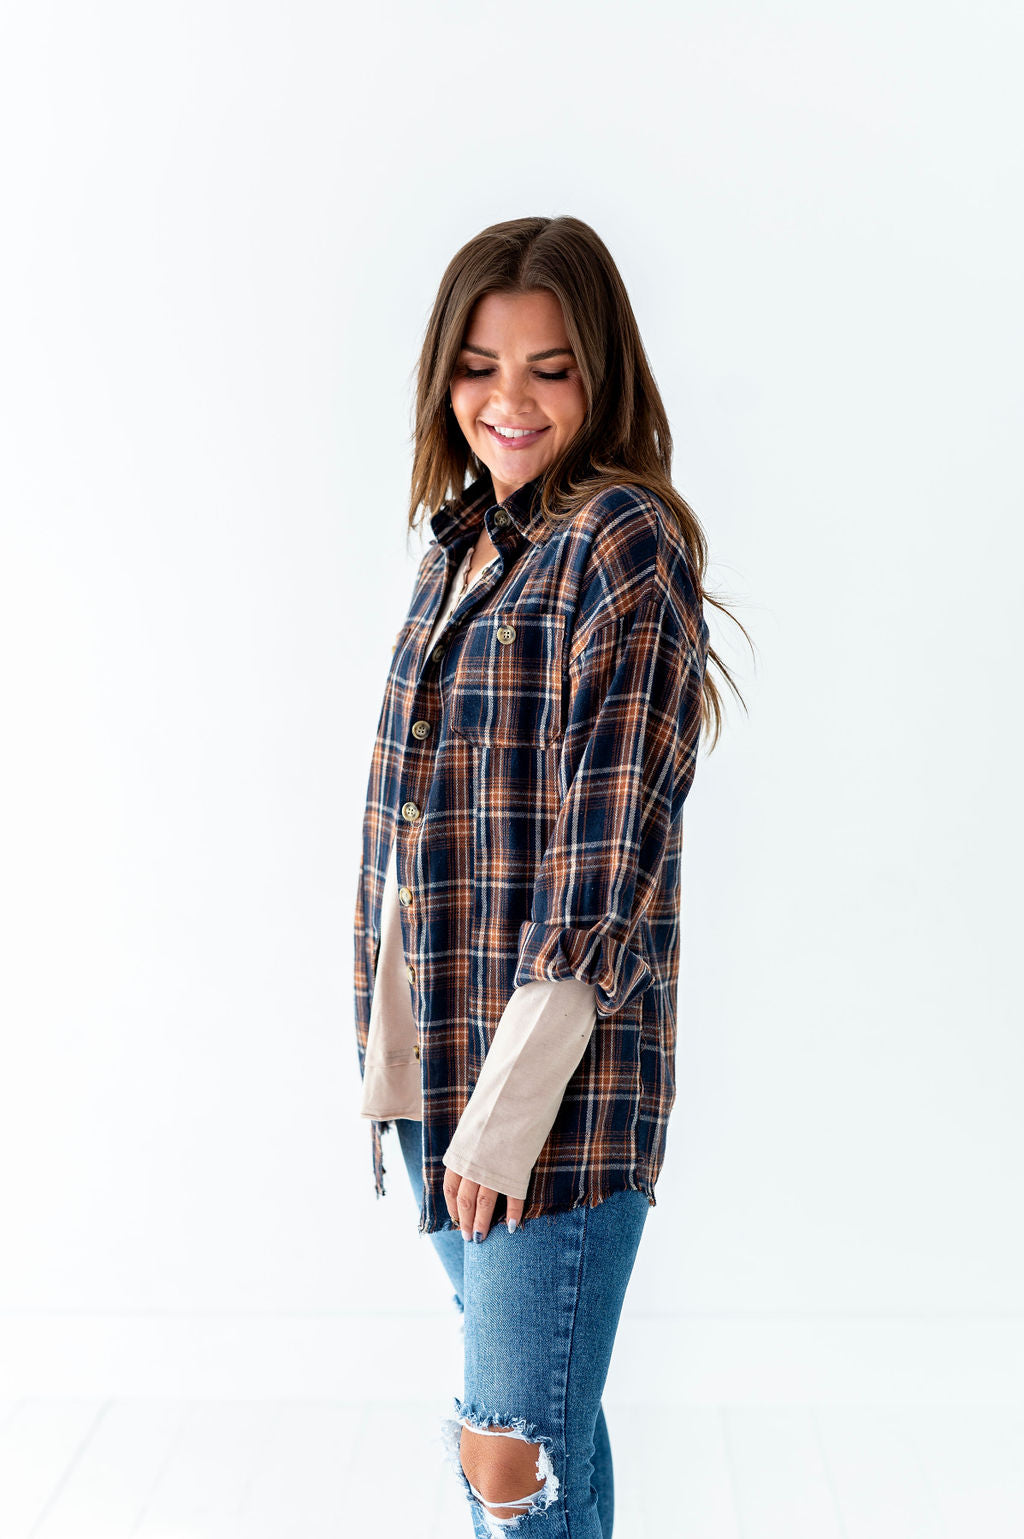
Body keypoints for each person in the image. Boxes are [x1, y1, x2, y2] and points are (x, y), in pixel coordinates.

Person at [352, 214, 747, 1538]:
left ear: (602, 376)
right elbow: (421, 825)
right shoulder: (461, 544)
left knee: (509, 1454)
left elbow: (603, 862)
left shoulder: (622, 541)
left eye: (549, 368)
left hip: (551, 1092)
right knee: (548, 1430)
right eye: (479, 366)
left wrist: (506, 1116)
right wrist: (397, 1068)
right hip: (444, 1072)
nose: (507, 400)